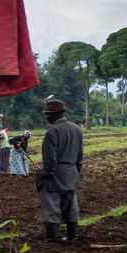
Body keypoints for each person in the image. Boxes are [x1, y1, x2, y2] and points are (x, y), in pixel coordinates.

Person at [37, 99, 84, 242]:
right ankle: (72, 236)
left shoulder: (52, 132)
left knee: (50, 205)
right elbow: (79, 156)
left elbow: (50, 160)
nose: (46, 117)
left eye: (49, 114)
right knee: (71, 205)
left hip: (55, 175)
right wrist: (74, 171)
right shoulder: (77, 129)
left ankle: (50, 238)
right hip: (71, 174)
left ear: (57, 114)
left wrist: (45, 174)